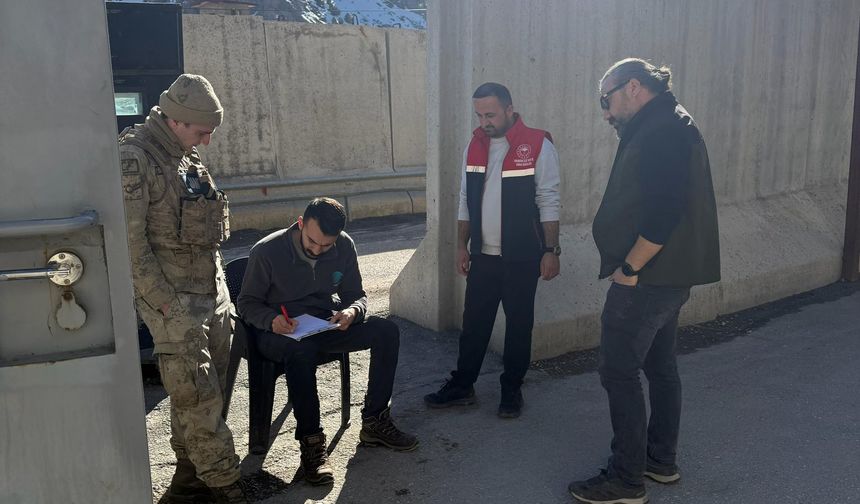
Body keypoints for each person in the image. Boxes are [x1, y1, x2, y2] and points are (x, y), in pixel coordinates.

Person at [568, 58, 721, 504]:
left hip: (648, 278)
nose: (605, 112)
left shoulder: (663, 130)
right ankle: (659, 460)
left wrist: (630, 269)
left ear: (633, 87)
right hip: (666, 276)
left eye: (606, 99)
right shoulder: (665, 122)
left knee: (619, 370)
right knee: (660, 367)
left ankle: (626, 479)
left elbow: (664, 212)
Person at [118, 74, 247, 503]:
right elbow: (131, 249)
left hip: (211, 296)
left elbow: (205, 237)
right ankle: (227, 487)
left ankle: (188, 485)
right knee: (199, 396)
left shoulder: (185, 157)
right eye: (202, 131)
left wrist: (221, 296)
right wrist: (169, 311)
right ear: (175, 120)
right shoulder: (135, 159)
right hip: (172, 303)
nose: (207, 141)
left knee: (198, 396)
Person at [237, 197, 418, 486]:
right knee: (301, 351)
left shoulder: (344, 245)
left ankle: (375, 421)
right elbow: (246, 303)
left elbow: (356, 294)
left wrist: (352, 311)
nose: (318, 250)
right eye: (312, 242)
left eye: (326, 245)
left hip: (322, 324)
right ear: (300, 224)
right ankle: (312, 445)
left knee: (386, 331)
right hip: (277, 333)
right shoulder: (268, 251)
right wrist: (271, 320)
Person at [423, 82, 561, 419]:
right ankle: (462, 386)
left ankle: (511, 390)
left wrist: (551, 250)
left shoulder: (538, 143)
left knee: (517, 325)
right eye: (479, 114)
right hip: (483, 256)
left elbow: (548, 199)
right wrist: (461, 245)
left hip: (523, 256)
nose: (485, 121)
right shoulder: (475, 145)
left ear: (509, 108)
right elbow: (464, 200)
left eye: (491, 114)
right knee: (474, 325)